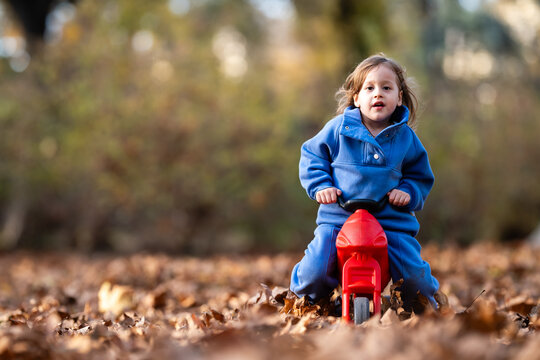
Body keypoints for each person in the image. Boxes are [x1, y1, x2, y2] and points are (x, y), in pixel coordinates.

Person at [290, 53, 444, 310]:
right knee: (315, 268)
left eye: (387, 88)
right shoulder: (338, 129)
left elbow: (420, 175)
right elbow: (312, 156)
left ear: (399, 98)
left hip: (390, 220)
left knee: (414, 276)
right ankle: (304, 301)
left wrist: (408, 191)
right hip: (338, 218)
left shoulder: (405, 138)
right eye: (369, 88)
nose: (378, 94)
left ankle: (424, 305)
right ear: (356, 97)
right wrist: (321, 186)